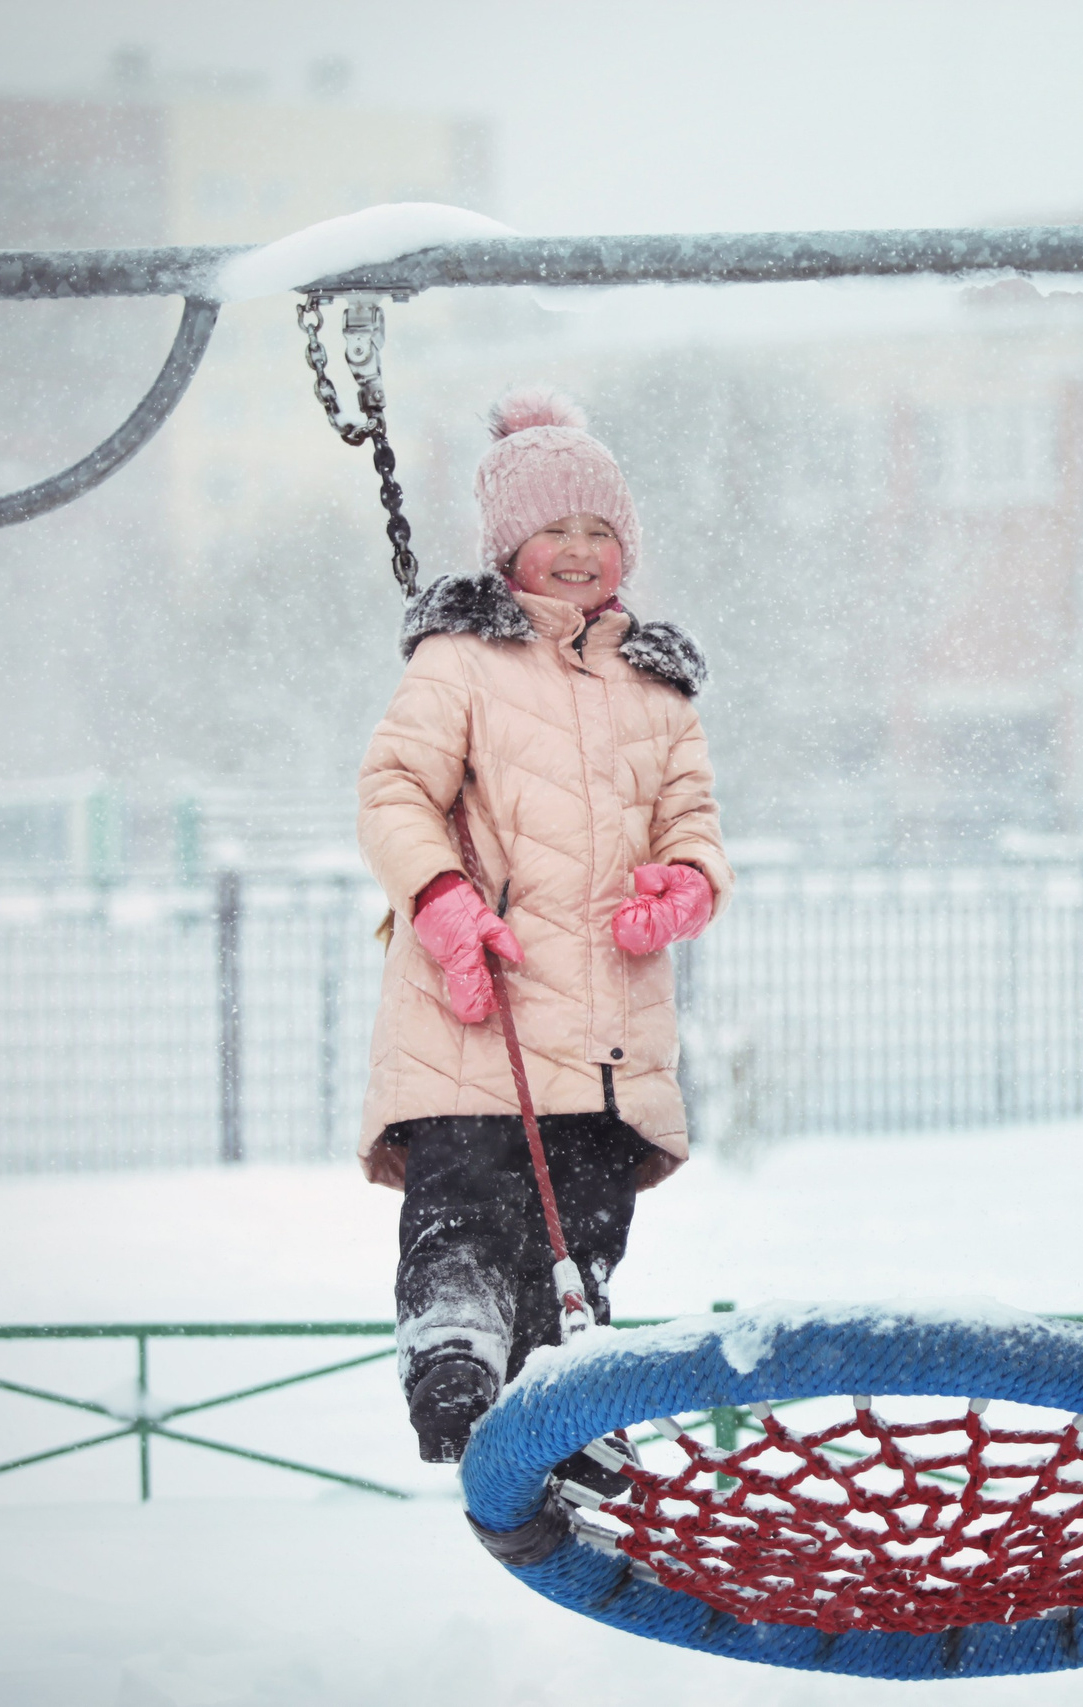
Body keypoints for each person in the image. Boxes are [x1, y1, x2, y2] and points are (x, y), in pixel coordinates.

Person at [355, 388, 731, 1465]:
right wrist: (439, 898)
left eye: (598, 531)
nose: (578, 551)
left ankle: (561, 1396)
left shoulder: (657, 688)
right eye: (553, 531)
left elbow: (693, 817)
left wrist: (691, 881)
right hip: (479, 1012)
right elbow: (393, 792)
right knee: (468, 1208)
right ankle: (454, 1355)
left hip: (609, 1034)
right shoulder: (460, 664)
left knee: (580, 1237)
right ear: (507, 548)